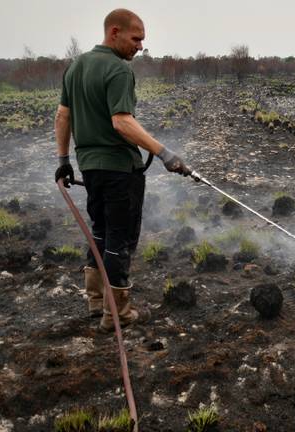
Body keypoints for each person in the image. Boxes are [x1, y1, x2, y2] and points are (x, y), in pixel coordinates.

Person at [54, 8, 190, 331]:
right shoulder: (118, 70)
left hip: (91, 171)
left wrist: (63, 162)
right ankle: (119, 313)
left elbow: (63, 116)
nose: (140, 46)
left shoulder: (75, 67)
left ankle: (96, 301)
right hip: (118, 172)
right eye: (136, 38)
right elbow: (122, 122)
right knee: (119, 240)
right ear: (114, 32)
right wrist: (163, 153)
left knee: (99, 232)